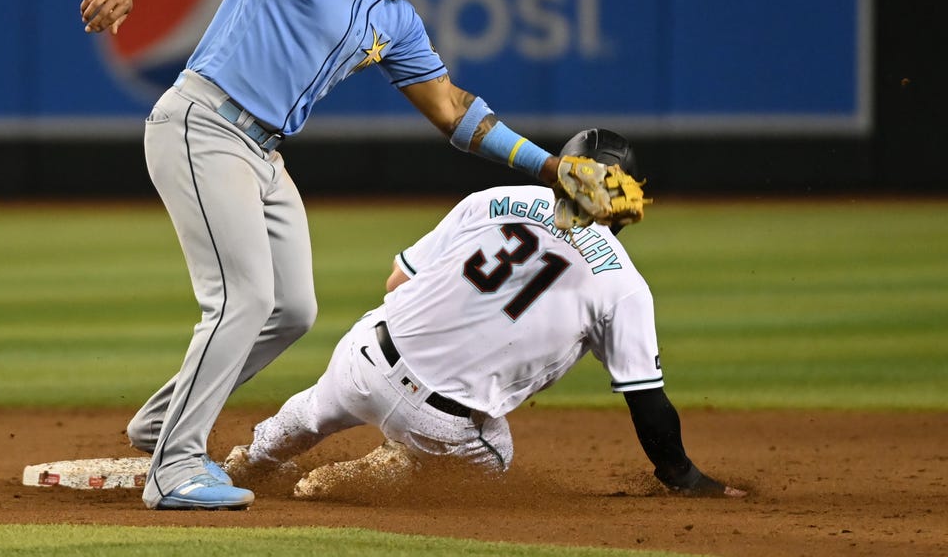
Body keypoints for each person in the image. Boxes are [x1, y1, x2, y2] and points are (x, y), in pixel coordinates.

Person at [79, 0, 638, 510]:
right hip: (203, 123)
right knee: (244, 296)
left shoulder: (397, 19)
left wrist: (553, 168)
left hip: (263, 153)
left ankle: (161, 424)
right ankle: (174, 467)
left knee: (291, 309)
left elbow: (452, 108)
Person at [223, 129, 745, 500]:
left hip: (363, 361)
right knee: (496, 459)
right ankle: (362, 476)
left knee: (318, 406)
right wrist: (682, 476)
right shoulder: (623, 285)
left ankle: (251, 460)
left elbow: (397, 280)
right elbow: (646, 401)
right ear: (626, 195)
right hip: (441, 425)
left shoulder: (495, 199)